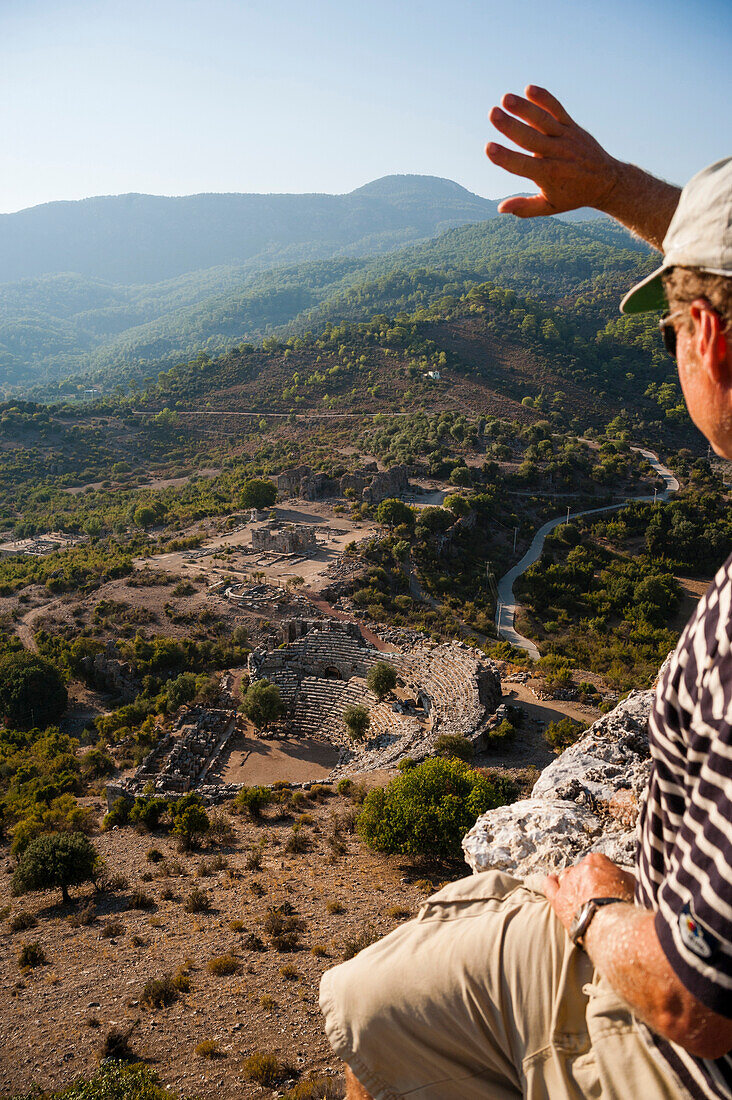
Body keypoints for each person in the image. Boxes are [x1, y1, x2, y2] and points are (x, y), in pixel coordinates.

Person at [319, 87, 732, 1100]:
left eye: (676, 322)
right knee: (390, 992)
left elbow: (697, 1001)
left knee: (378, 1010)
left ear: (709, 339)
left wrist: (594, 906)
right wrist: (621, 190)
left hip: (683, 1039)